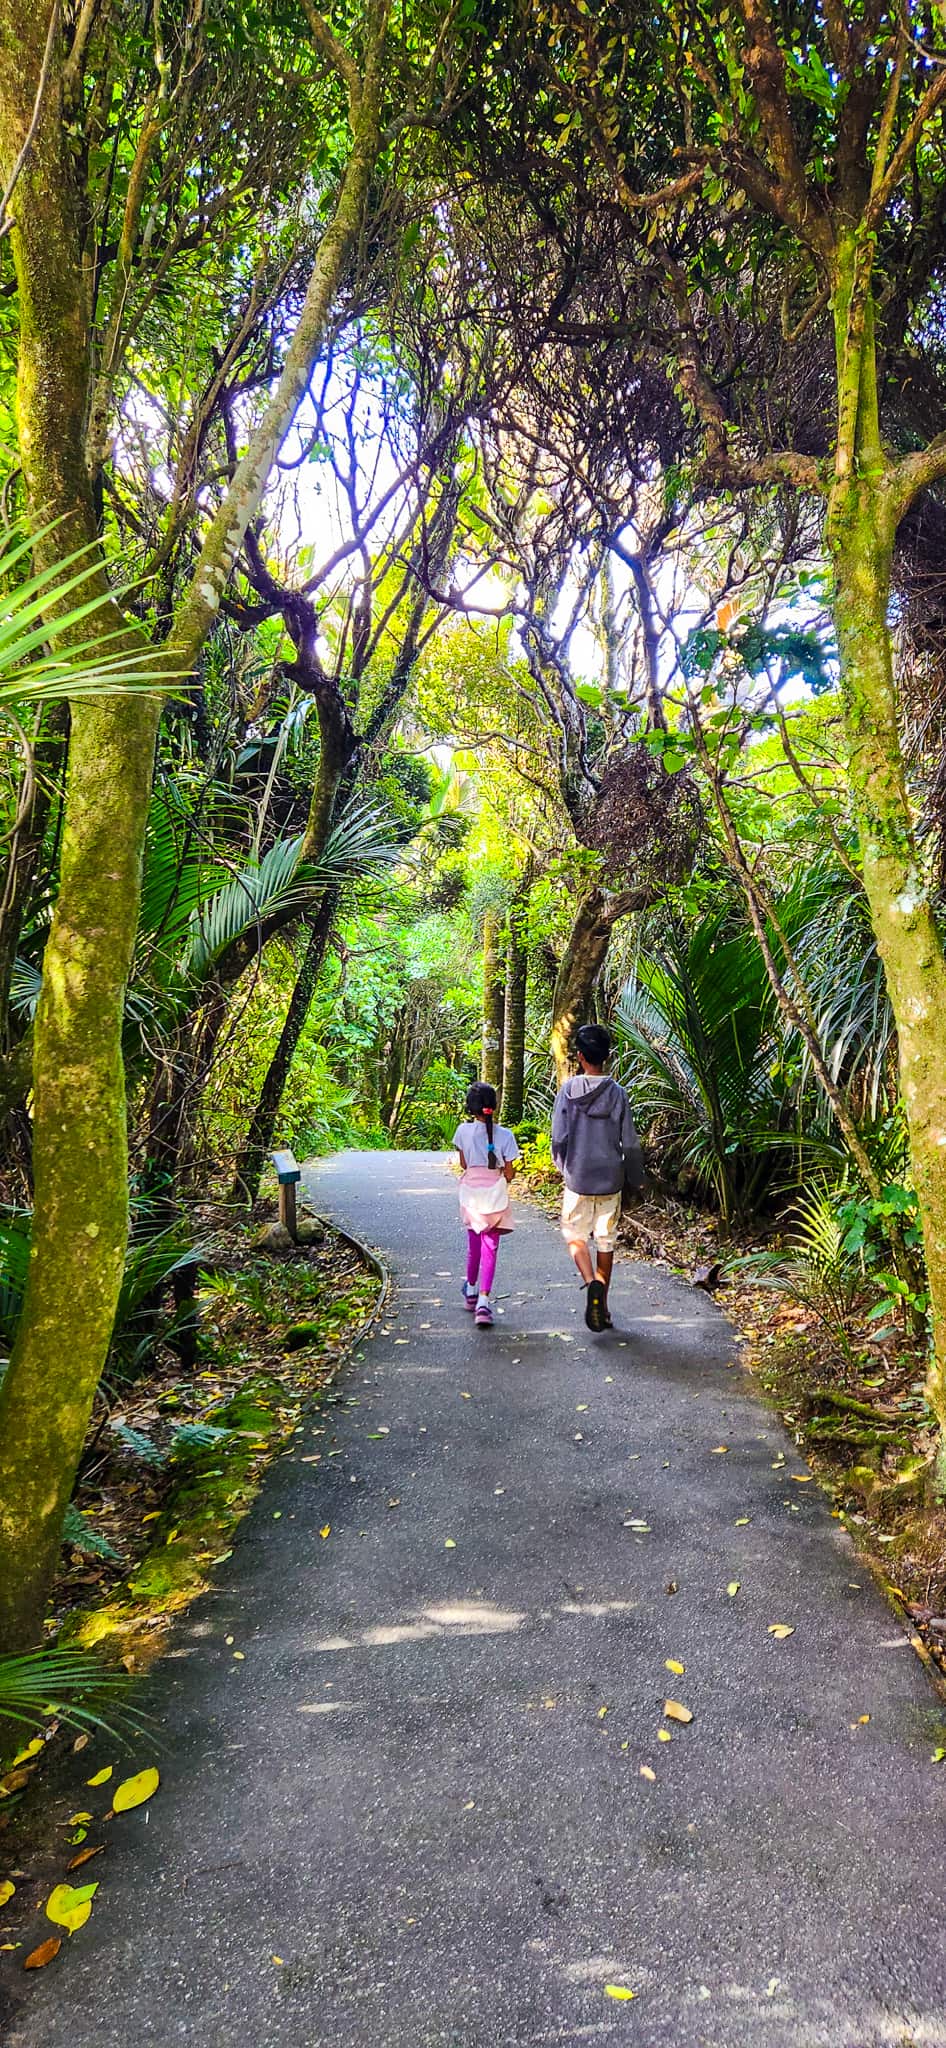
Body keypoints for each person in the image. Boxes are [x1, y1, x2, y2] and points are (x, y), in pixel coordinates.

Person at [551, 1022, 643, 1332]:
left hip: (578, 1176)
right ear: (606, 1056)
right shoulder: (618, 1093)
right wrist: (635, 1176)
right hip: (610, 1178)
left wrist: (566, 1168)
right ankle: (601, 1308)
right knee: (606, 1241)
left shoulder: (567, 1091)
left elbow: (559, 1137)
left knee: (575, 1236)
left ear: (579, 1056)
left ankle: (591, 1282)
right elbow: (629, 1140)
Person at [452, 1082, 520, 1328]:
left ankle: (470, 1290)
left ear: (471, 1108)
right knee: (490, 1247)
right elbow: (510, 1173)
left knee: (474, 1246)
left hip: (470, 1195)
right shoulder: (506, 1136)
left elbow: (463, 1164)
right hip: (495, 1197)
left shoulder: (462, 1131)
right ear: (493, 1106)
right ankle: (483, 1302)